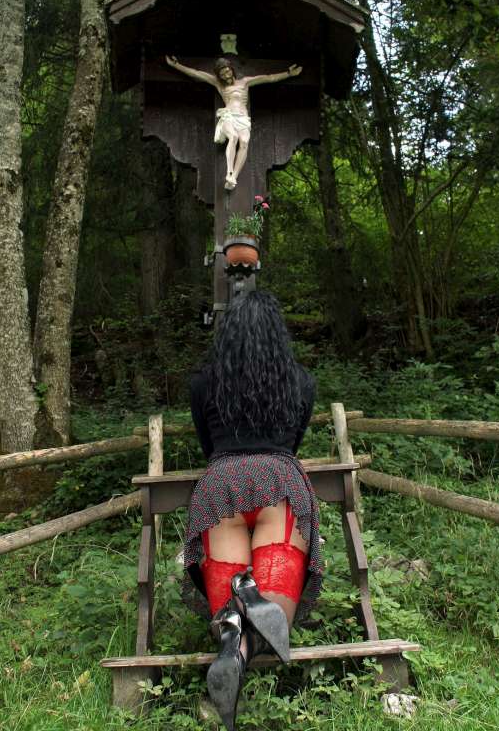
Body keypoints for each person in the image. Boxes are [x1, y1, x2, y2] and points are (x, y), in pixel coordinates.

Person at [182, 291, 321, 731]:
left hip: (221, 489)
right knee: (277, 621)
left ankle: (234, 641)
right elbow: (293, 444)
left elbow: (209, 446)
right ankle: (256, 598)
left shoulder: (204, 384)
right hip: (279, 486)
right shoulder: (300, 382)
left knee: (230, 623)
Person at [165, 56, 302, 190]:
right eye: (222, 74)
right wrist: (176, 65)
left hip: (243, 119)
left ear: (231, 69)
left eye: (227, 71)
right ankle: (229, 172)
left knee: (244, 143)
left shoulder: (245, 82)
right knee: (233, 137)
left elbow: (268, 78)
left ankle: (233, 177)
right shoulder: (218, 84)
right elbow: (197, 74)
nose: (226, 75)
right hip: (229, 116)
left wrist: (288, 73)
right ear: (219, 76)